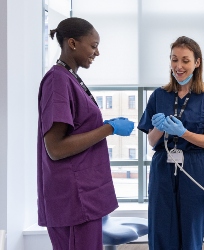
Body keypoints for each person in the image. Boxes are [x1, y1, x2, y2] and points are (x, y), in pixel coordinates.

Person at [37, 17, 134, 250]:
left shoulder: (69, 77)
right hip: (73, 199)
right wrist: (108, 128)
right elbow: (56, 148)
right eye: (93, 45)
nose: (97, 52)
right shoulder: (57, 80)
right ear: (72, 43)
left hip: (82, 197)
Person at [137, 36, 204, 250]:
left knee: (191, 231)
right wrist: (159, 128)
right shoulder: (159, 95)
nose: (178, 66)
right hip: (162, 167)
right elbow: (152, 142)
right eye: (174, 60)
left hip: (195, 166)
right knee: (161, 230)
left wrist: (184, 132)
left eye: (185, 60)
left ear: (197, 62)